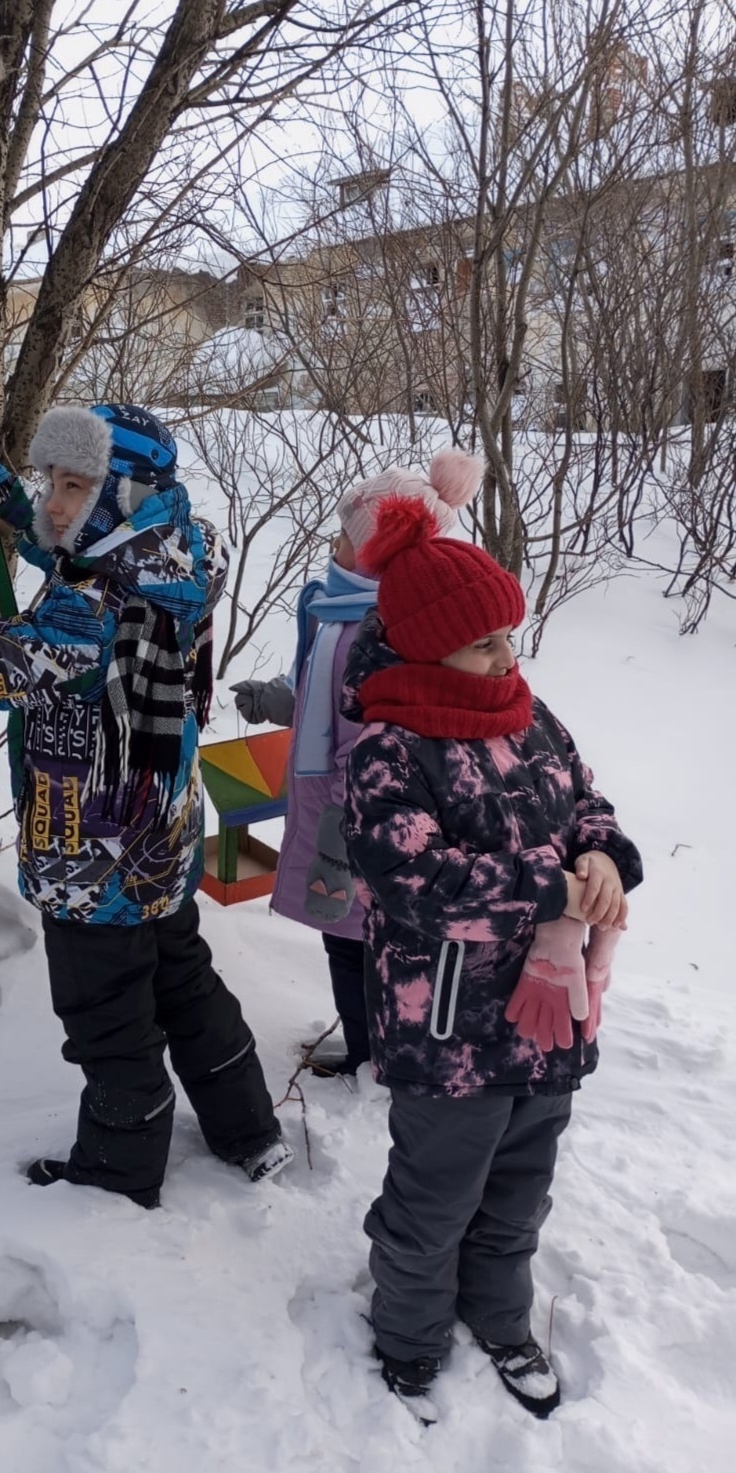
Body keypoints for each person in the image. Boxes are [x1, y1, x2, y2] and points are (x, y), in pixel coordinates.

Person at [0, 403, 292, 1210]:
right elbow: (77, 542)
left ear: (123, 494)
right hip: (165, 833)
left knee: (106, 1017)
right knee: (185, 982)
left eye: (74, 484)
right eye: (51, 480)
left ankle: (120, 1171)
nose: (53, 500)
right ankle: (249, 1129)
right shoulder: (186, 546)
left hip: (93, 856)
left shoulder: (87, 616)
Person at [342, 495, 642, 1424]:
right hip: (451, 1030)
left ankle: (499, 1314)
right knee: (435, 1197)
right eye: (483, 644)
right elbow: (413, 879)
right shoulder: (391, 744)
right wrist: (551, 890)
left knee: (519, 1185)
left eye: (510, 635)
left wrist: (602, 857)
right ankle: (410, 1335)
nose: (508, 658)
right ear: (429, 650)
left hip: (548, 1019)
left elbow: (590, 805)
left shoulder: (531, 715)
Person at [230, 450, 484, 1077]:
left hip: (356, 818)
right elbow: (342, 707)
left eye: (346, 534)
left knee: (352, 940)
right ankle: (390, 1046)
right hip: (350, 811)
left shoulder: (374, 631)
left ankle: (380, 1055)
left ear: (381, 552)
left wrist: (347, 809)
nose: (335, 543)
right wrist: (286, 700)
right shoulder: (350, 614)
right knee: (364, 935)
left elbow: (378, 735)